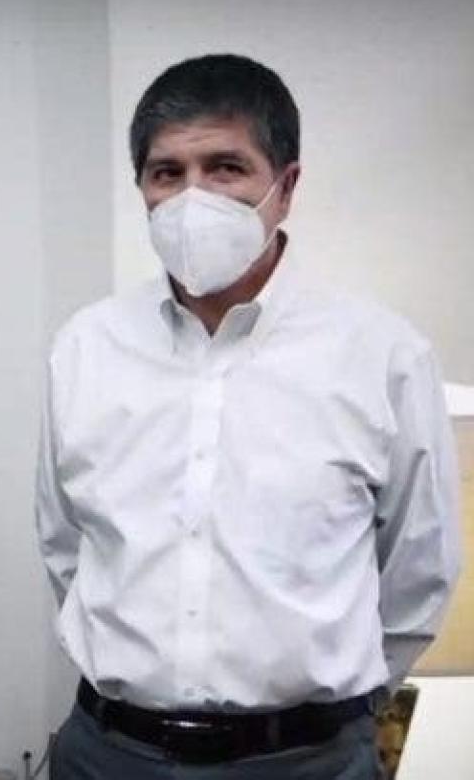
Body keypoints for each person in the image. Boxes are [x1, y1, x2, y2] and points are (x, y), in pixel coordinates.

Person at [36, 54, 462, 779]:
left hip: (307, 760)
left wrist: (327, 711)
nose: (192, 197)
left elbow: (418, 572)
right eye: (166, 173)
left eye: (226, 168)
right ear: (141, 188)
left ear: (285, 187)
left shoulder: (382, 355)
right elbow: (65, 544)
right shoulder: (86, 347)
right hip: (110, 752)